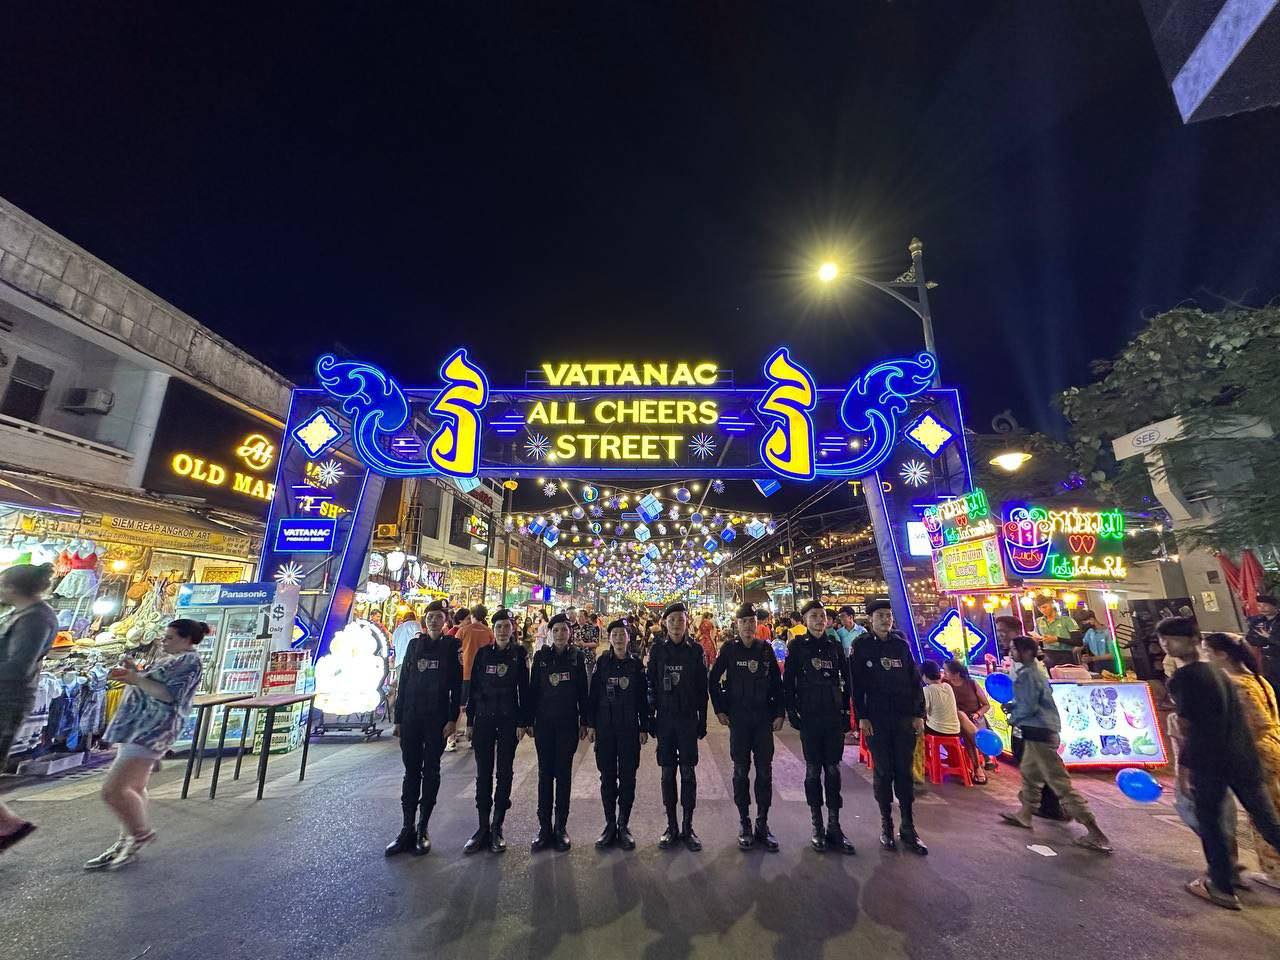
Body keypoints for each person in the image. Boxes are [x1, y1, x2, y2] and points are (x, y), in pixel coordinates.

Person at [86, 618, 206, 869]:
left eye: (169, 637)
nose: (163, 641)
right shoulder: (173, 659)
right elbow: (153, 684)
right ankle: (127, 840)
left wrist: (136, 679)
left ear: (186, 639)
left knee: (113, 790)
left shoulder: (188, 661)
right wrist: (136, 673)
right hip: (138, 727)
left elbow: (168, 694)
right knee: (134, 787)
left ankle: (140, 834)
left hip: (151, 730)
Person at [999, 635, 1112, 853]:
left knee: (1058, 782)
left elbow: (1029, 707)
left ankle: (1095, 831)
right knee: (1029, 775)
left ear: (1026, 652)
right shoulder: (1033, 673)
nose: (1010, 652)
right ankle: (1025, 814)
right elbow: (1033, 701)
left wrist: (1014, 717)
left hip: (1039, 732)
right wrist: (1014, 706)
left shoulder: (1028, 676)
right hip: (1036, 732)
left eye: (1013, 649)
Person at [1164, 635, 1246, 893]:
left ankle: (1221, 876)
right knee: (1229, 814)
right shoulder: (1230, 682)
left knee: (1204, 816)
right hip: (1233, 759)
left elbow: (1189, 736)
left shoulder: (1197, 687)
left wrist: (1184, 773)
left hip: (1205, 763)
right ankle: (1228, 866)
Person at [1201, 631, 1280, 891]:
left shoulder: (1233, 685)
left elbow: (1242, 726)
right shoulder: (1258, 679)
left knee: (1265, 816)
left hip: (1254, 753)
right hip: (1273, 746)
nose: (1206, 658)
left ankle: (1275, 872)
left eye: (1208, 653)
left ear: (1222, 655)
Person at [849, 599, 927, 853]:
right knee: (883, 771)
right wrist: (862, 716)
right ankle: (886, 825)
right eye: (880, 615)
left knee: (904, 771)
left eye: (888, 615)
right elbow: (856, 685)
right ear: (870, 619)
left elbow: (915, 681)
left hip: (903, 718)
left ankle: (908, 827)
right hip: (877, 719)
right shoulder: (861, 646)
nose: (886, 619)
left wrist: (918, 713)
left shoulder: (901, 645)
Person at [387, 599, 461, 857]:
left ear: (445, 620)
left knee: (431, 771)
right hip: (411, 717)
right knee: (411, 772)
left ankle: (422, 828)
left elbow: (456, 685)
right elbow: (404, 682)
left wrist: (452, 719)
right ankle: (406, 828)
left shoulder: (451, 647)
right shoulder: (414, 645)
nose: (434, 621)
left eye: (439, 617)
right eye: (430, 617)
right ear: (424, 620)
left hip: (436, 719)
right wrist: (398, 719)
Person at [785, 599, 856, 854]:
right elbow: (788, 681)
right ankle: (817, 825)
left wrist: (847, 712)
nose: (819, 620)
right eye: (814, 616)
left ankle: (834, 825)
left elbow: (847, 681)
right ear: (805, 620)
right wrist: (791, 712)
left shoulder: (834, 647)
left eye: (822, 616)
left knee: (834, 771)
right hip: (810, 717)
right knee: (813, 771)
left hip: (833, 717)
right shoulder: (797, 647)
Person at [710, 603, 784, 851]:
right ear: (737, 624)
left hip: (763, 719)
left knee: (765, 772)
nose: (749, 626)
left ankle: (762, 823)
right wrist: (719, 709)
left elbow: (777, 683)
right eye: (744, 622)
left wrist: (779, 713)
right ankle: (744, 822)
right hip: (739, 720)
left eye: (752, 621)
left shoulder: (765, 649)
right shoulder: (730, 649)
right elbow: (713, 679)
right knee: (741, 772)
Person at [0, 564, 60, 852]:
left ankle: (10, 826)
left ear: (13, 588)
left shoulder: (36, 619)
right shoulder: (20, 614)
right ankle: (9, 826)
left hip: (7, 700)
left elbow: (18, 666)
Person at [463, 608, 529, 855]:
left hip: (508, 720)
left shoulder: (519, 655)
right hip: (484, 720)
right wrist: (470, 721)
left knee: (504, 772)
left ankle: (497, 826)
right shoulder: (483, 654)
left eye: (506, 626)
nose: (502, 631)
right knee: (483, 773)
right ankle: (482, 827)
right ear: (493, 630)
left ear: (512, 629)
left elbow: (524, 689)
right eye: (499, 626)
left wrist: (523, 722)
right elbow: (474, 688)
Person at [647, 601, 708, 851]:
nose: (676, 624)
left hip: (687, 719)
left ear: (687, 622)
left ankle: (687, 826)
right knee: (667, 773)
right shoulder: (657, 650)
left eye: (680, 620)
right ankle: (671, 826)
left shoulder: (695, 650)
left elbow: (702, 687)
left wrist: (703, 719)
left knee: (688, 773)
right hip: (665, 719)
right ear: (665, 623)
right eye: (671, 620)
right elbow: (650, 683)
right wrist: (650, 716)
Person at [527, 612, 588, 852]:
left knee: (563, 775)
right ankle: (544, 828)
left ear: (570, 632)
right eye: (556, 630)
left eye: (564, 629)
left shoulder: (576, 657)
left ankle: (561, 827)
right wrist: (528, 720)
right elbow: (533, 690)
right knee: (545, 774)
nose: (560, 634)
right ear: (550, 634)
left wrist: (585, 721)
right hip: (544, 723)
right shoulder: (541, 657)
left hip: (567, 724)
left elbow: (583, 691)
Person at [586, 618, 649, 850]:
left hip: (629, 729)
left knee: (628, 777)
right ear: (610, 638)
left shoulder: (636, 665)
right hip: (605, 728)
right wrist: (590, 724)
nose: (619, 638)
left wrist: (644, 727)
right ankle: (610, 824)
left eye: (623, 634)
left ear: (629, 637)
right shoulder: (602, 663)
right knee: (607, 777)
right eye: (615, 635)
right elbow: (593, 695)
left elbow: (643, 698)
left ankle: (623, 824)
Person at [943, 659, 994, 776]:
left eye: (946, 670)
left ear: (956, 673)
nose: (944, 672)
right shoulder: (946, 685)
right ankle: (985, 758)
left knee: (970, 732)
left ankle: (977, 768)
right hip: (958, 720)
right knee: (966, 730)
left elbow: (986, 705)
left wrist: (977, 714)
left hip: (976, 718)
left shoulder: (971, 683)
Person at [454, 604, 494, 750]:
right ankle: (475, 734)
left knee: (462, 703)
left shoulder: (463, 630)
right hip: (484, 674)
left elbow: (455, 649)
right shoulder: (488, 631)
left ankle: (459, 732)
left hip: (466, 671)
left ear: (472, 615)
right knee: (480, 703)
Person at [1246, 595, 1280, 696]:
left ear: (1274, 606)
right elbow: (1250, 638)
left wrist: (1269, 637)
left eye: (1265, 605)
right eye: (1259, 606)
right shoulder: (1258, 621)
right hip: (1267, 660)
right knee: (1271, 687)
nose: (1262, 608)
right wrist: (1262, 640)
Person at [1034, 600, 1079, 665]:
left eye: (1044, 607)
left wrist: (1057, 639)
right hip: (1047, 655)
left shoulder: (1067, 620)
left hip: (1065, 654)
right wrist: (1035, 639)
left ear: (1052, 604)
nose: (1042, 610)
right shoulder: (1039, 621)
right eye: (1039, 608)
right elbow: (1037, 638)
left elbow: (1078, 642)